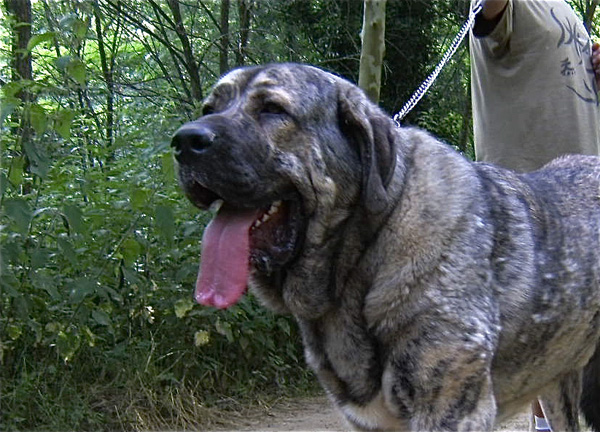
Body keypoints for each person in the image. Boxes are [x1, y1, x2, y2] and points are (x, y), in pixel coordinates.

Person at [469, 0, 600, 430]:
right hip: (532, 205)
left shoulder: (562, 9)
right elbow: (487, 14)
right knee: (550, 338)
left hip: (587, 195)